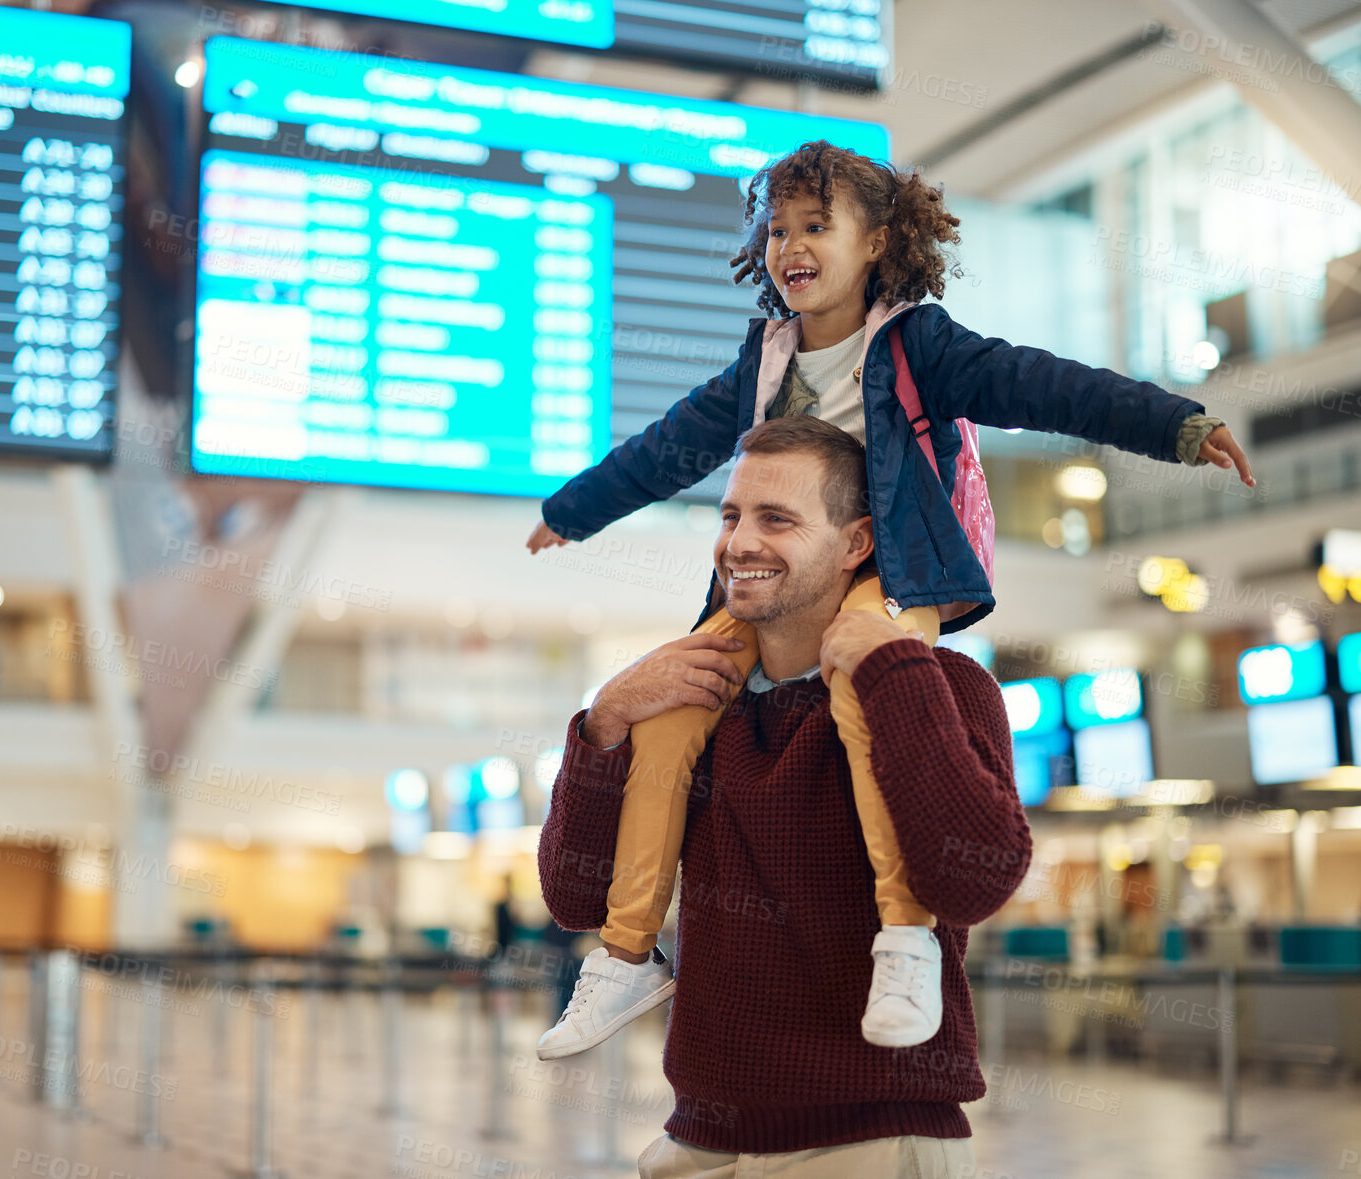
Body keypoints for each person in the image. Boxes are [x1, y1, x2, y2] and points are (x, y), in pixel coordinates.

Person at [528, 139, 1254, 1059]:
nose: (791, 244)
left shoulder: (919, 344)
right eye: (779, 228)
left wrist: (1182, 426)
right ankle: (628, 953)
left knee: (865, 680)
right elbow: (670, 445)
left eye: (816, 225)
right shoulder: (767, 357)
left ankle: (904, 937)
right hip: (772, 585)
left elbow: (1048, 385)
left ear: (877, 241)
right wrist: (570, 510)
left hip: (889, 569)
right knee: (672, 711)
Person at [537, 417, 1031, 1176]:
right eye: (731, 514)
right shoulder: (692, 705)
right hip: (698, 1137)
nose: (740, 543)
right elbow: (576, 899)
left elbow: (976, 876)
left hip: (867, 1136)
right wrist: (604, 721)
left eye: (777, 519)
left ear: (857, 544)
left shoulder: (944, 685)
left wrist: (893, 672)